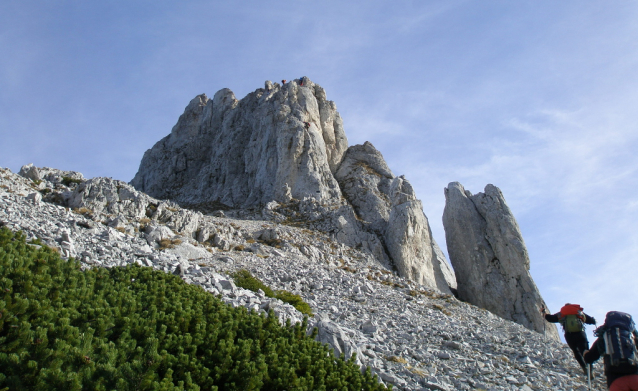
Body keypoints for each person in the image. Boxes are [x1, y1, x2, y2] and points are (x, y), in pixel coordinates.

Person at [584, 311, 638, 390]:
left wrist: (586, 354)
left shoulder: (605, 336)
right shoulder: (632, 336)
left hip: (615, 380)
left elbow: (590, 358)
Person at [542, 303, 596, 375]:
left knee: (576, 351)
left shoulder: (562, 313)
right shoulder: (578, 312)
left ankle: (584, 368)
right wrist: (593, 320)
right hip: (580, 333)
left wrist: (544, 313)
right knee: (585, 351)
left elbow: (551, 318)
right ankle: (590, 369)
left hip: (569, 335)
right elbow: (590, 320)